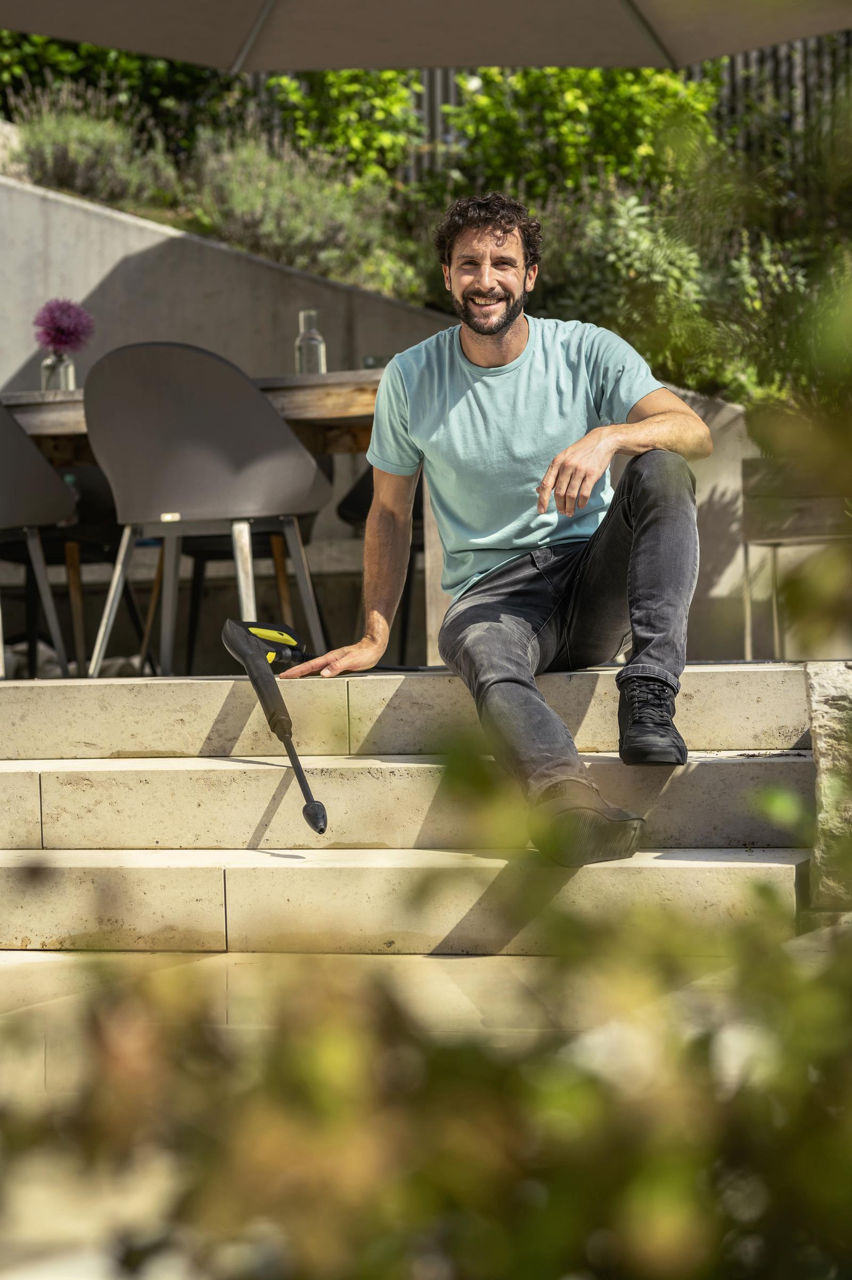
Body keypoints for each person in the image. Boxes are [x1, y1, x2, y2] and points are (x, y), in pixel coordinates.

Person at [282, 192, 713, 864]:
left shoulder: (586, 350)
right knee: (483, 650)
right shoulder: (411, 377)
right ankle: (566, 803)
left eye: (503, 263)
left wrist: (609, 436)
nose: (486, 280)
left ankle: (651, 692)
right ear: (447, 276)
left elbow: (694, 432)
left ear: (530, 275)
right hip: (493, 597)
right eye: (469, 264)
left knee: (662, 468)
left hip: (590, 574)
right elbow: (389, 511)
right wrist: (374, 634)